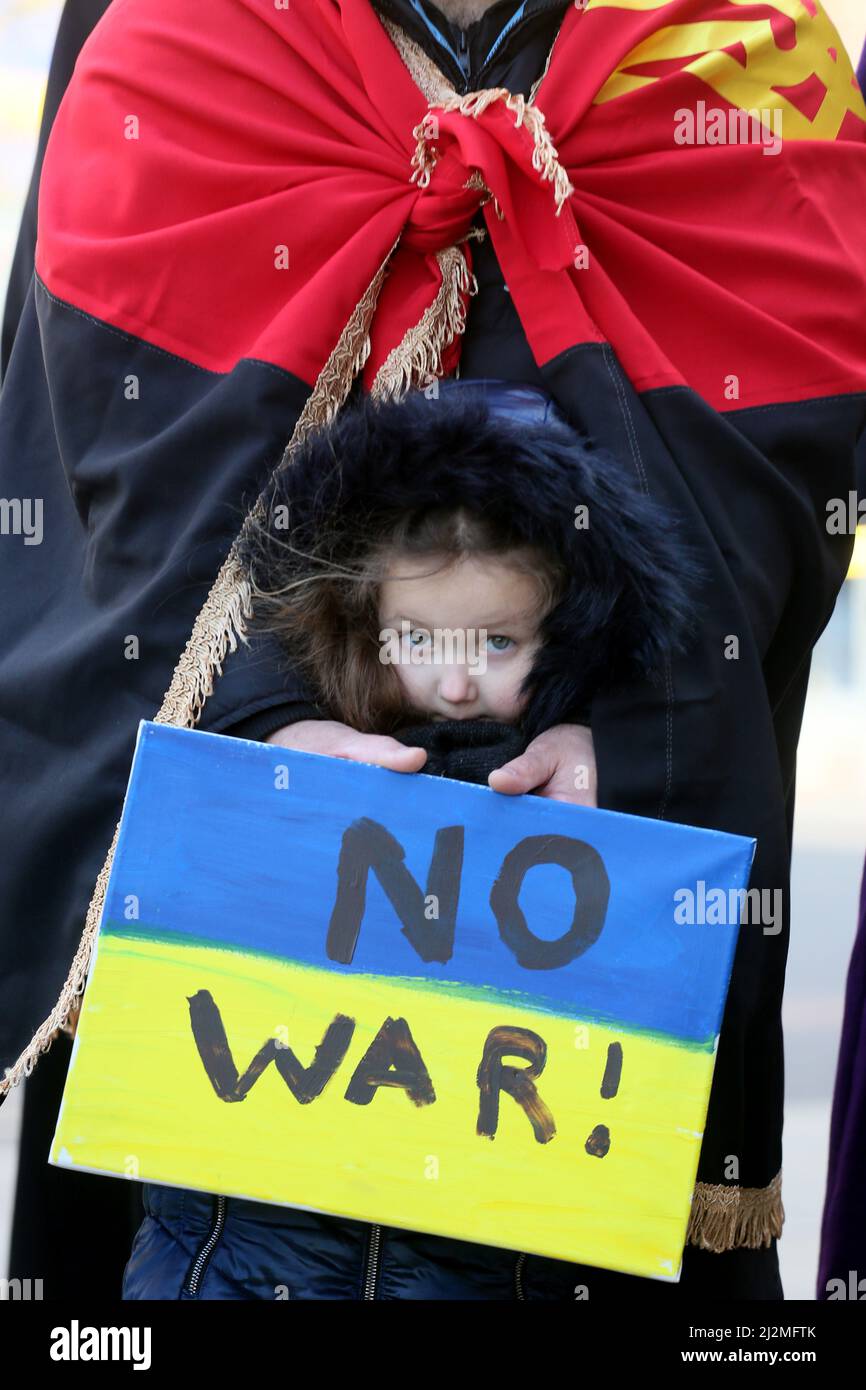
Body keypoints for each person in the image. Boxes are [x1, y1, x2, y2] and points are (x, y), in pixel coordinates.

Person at [1, 0, 864, 1305]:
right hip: (237, 988)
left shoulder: (736, 52)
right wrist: (262, 715)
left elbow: (779, 462)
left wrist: (634, 722)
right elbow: (114, 469)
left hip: (580, 974)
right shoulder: (172, 30)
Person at [122, 376, 707, 1299]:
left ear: (571, 631)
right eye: (420, 640)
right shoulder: (266, 766)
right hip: (239, 1256)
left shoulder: (586, 803)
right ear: (362, 620)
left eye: (500, 644)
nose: (459, 683)